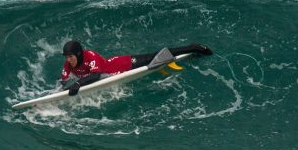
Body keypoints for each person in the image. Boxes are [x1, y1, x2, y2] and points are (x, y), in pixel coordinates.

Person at [60, 40, 213, 96]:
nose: (68, 60)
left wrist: (78, 84)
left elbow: (96, 75)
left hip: (121, 65)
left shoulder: (89, 56)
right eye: (66, 57)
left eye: (71, 56)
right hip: (110, 72)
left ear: (79, 54)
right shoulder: (68, 64)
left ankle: (193, 47)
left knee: (155, 57)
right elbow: (64, 81)